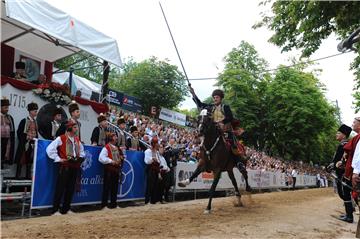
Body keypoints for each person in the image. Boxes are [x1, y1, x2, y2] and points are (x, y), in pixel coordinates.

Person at [189, 86, 251, 191]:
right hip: (214, 131)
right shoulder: (210, 107)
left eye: (217, 97)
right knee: (204, 140)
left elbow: (230, 117)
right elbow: (200, 105)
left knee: (232, 143)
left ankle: (239, 162)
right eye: (214, 97)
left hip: (225, 130)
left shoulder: (225, 107)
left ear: (221, 98)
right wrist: (193, 94)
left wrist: (221, 122)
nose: (215, 99)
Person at [46, 120, 85, 215]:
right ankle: (55, 210)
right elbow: (49, 149)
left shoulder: (77, 140)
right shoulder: (61, 138)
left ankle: (66, 209)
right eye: (75, 127)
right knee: (60, 188)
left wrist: (80, 158)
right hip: (65, 167)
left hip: (74, 167)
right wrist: (58, 159)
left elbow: (82, 152)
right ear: (70, 128)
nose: (76, 129)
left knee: (70, 189)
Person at [340, 117, 360, 223]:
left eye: (354, 122)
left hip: (354, 171)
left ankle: (349, 215)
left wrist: (356, 172)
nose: (352, 124)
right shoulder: (356, 138)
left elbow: (356, 156)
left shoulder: (358, 138)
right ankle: (349, 214)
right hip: (354, 170)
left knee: (348, 191)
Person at [98, 132, 124, 209]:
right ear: (110, 138)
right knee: (107, 187)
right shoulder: (106, 147)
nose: (116, 137)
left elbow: (120, 157)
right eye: (114, 136)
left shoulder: (117, 148)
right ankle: (104, 205)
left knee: (115, 188)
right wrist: (111, 161)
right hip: (109, 170)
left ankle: (114, 204)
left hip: (116, 170)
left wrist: (121, 159)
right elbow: (101, 158)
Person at [327, 124, 352, 201]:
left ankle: (350, 212)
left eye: (338, 133)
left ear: (344, 136)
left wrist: (332, 166)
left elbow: (342, 160)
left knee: (344, 193)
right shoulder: (344, 144)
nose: (336, 134)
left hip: (342, 173)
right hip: (342, 172)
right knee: (344, 193)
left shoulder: (343, 145)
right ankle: (350, 210)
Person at [14, 102, 38, 179]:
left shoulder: (35, 122)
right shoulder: (24, 120)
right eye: (35, 110)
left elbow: (36, 133)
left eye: (36, 111)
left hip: (32, 144)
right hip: (24, 143)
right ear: (30, 111)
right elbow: (19, 132)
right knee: (21, 159)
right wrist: (25, 139)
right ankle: (17, 176)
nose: (36, 112)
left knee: (29, 160)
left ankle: (28, 177)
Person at [144, 137, 169, 204]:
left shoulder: (157, 152)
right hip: (150, 169)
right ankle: (147, 201)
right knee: (149, 186)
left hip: (156, 170)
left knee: (155, 186)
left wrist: (159, 172)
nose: (158, 144)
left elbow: (159, 162)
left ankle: (153, 201)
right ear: (154, 144)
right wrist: (152, 159)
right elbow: (146, 161)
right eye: (157, 143)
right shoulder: (148, 151)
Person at [1, 98, 15, 169]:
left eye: (8, 107)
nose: (7, 109)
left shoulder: (9, 117)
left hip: (6, 140)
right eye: (5, 107)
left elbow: (12, 130)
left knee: (4, 154)